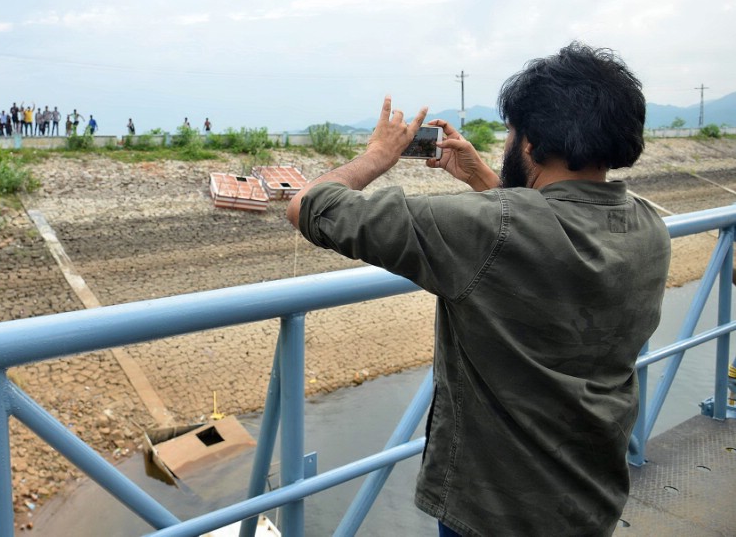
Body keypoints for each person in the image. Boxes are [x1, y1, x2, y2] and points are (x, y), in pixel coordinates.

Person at [286, 42, 670, 536]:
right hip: (591, 495)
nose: (509, 143)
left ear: (530, 143)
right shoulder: (647, 226)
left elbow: (310, 205)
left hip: (495, 509)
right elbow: (541, 238)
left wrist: (378, 156)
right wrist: (480, 177)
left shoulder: (492, 229)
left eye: (511, 132)